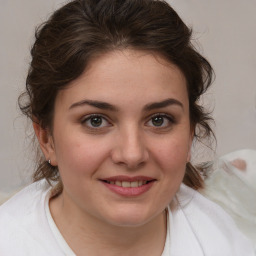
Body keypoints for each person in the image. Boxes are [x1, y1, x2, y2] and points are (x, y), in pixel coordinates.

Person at [0, 0, 254, 255]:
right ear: (46, 138)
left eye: (159, 120)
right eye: (96, 121)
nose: (132, 155)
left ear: (190, 134)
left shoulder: (233, 238)